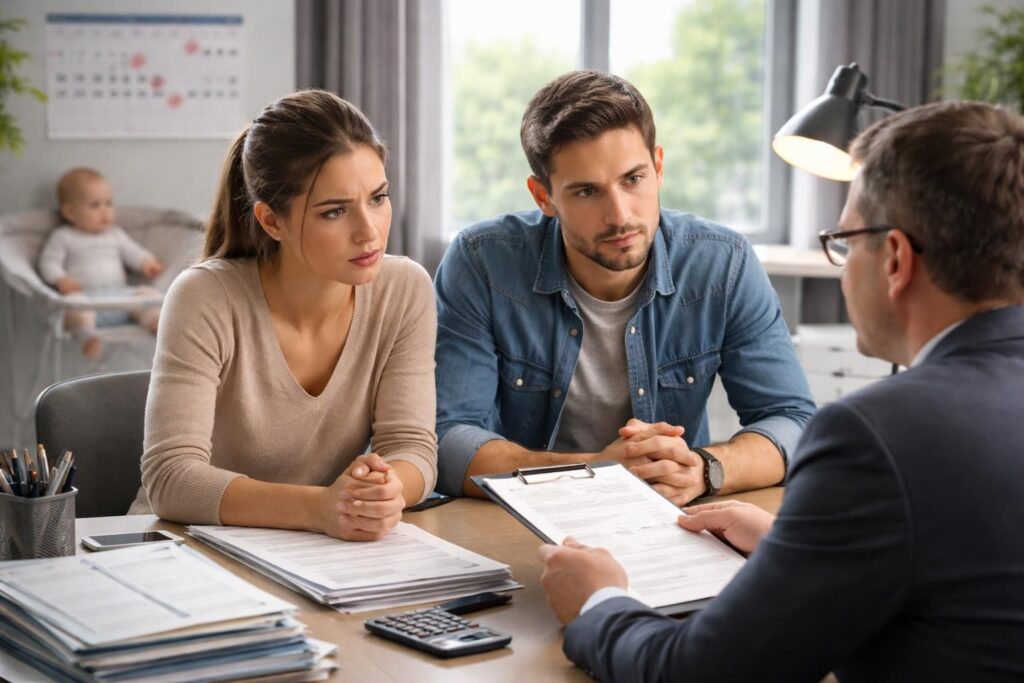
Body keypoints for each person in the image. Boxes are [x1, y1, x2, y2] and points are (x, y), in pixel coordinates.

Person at [538, 100, 1024, 681]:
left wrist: (598, 601)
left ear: (894, 257)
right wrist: (796, 552)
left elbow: (696, 673)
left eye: (843, 240)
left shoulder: (876, 437)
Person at [433, 70, 815, 501]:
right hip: (528, 516)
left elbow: (793, 420)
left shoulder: (722, 263)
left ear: (658, 167)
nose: (619, 215)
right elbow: (445, 440)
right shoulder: (482, 261)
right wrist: (595, 472)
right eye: (586, 192)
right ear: (543, 197)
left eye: (633, 179)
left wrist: (704, 469)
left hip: (669, 517)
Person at [129, 90, 438, 542]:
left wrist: (387, 488)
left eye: (378, 198)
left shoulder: (405, 289)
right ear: (272, 221)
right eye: (334, 211)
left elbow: (412, 447)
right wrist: (319, 507)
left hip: (318, 548)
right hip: (183, 547)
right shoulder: (205, 297)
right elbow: (171, 479)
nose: (369, 232)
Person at [38, 167, 165, 359]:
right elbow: (48, 263)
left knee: (150, 294)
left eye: (109, 203)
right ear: (70, 212)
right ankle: (88, 336)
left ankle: (156, 324)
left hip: (121, 298)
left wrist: (146, 262)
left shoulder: (115, 234)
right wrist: (60, 279)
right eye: (95, 205)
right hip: (87, 300)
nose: (105, 211)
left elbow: (133, 252)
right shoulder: (64, 237)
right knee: (72, 305)